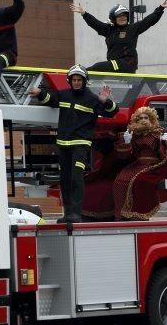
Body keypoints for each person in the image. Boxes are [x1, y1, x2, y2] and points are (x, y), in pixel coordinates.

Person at [28, 64, 117, 223]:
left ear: (84, 81)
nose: (76, 82)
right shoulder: (64, 95)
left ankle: (76, 213)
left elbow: (112, 113)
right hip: (63, 145)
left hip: (80, 145)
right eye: (74, 79)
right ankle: (68, 214)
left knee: (76, 178)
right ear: (70, 81)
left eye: (79, 80)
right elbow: (51, 99)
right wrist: (40, 93)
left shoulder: (92, 99)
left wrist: (106, 101)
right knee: (65, 179)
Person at [70, 0, 167, 73]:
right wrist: (84, 13)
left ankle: (80, 73)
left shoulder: (133, 29)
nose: (123, 17)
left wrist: (160, 8)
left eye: (124, 15)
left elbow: (149, 21)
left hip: (127, 64)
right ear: (113, 18)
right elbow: (95, 23)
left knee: (97, 67)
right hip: (114, 65)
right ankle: (81, 75)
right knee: (101, 70)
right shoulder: (108, 30)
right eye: (119, 16)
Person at [113, 106, 167, 220]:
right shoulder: (134, 135)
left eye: (146, 117)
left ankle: (137, 213)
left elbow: (164, 155)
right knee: (119, 181)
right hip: (138, 164)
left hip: (153, 164)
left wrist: (163, 143)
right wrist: (127, 142)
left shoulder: (157, 134)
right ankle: (122, 213)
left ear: (151, 120)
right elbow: (126, 156)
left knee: (138, 182)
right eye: (140, 118)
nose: (143, 120)